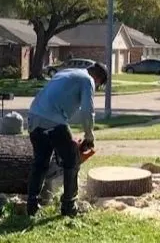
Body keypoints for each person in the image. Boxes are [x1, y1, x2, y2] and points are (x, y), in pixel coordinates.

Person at [26, 62, 108, 217]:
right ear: (98, 78)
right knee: (72, 161)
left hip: (34, 117)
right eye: (98, 85)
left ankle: (32, 204)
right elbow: (87, 111)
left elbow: (62, 105)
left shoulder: (66, 73)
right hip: (54, 121)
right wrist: (89, 136)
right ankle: (69, 205)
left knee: (40, 163)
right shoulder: (87, 80)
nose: (96, 87)